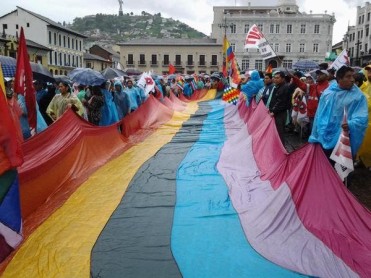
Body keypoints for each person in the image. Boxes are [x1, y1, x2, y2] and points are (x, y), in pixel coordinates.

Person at [309, 66, 368, 162]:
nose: (352, 80)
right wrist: (316, 134)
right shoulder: (328, 93)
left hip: (344, 139)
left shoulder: (358, 96)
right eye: (348, 77)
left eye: (353, 76)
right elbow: (319, 115)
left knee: (341, 168)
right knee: (326, 166)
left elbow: (362, 117)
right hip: (324, 136)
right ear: (339, 79)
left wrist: (351, 124)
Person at [268, 71, 292, 146]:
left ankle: (281, 148)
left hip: (280, 113)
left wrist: (273, 111)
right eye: (274, 78)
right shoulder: (278, 87)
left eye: (277, 78)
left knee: (279, 132)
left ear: (282, 79)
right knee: (276, 131)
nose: (275, 79)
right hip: (276, 112)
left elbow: (281, 102)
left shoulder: (284, 88)